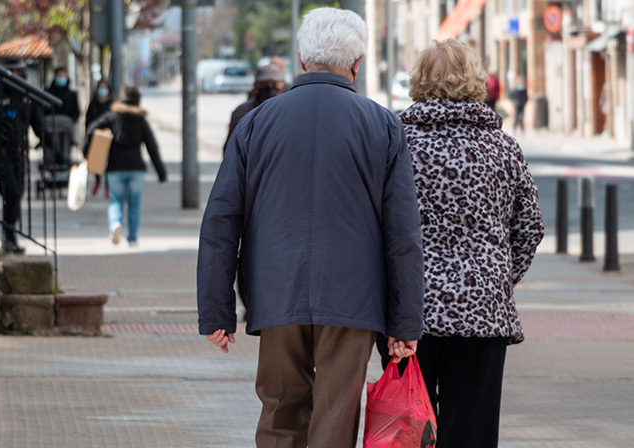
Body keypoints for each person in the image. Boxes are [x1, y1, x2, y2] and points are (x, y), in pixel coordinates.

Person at [197, 8, 425, 448]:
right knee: (336, 417)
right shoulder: (383, 126)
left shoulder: (254, 125)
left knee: (280, 409)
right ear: (357, 64)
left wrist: (216, 309)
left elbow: (222, 221)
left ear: (301, 58)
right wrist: (405, 322)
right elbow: (403, 234)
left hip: (276, 289)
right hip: (354, 299)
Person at [390, 39, 544, 448]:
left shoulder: (396, 144)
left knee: (410, 427)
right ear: (475, 80)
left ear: (419, 80)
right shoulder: (503, 147)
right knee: (473, 429)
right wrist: (498, 277)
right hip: (483, 312)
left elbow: (377, 226)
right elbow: (530, 227)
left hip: (410, 312)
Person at [0, 58, 52, 254]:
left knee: (17, 192)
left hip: (20, 151)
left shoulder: (27, 97)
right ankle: (9, 235)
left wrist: (54, 148)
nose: (23, 76)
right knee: (10, 190)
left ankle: (10, 234)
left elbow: (39, 126)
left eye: (23, 72)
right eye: (18, 73)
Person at [83, 86, 166, 247]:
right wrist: (161, 172)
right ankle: (133, 238)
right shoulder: (141, 120)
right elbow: (152, 147)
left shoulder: (112, 117)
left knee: (116, 200)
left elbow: (91, 129)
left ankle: (115, 224)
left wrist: (86, 154)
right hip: (137, 169)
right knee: (134, 204)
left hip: (115, 167)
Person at [223, 64, 285, 154]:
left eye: (274, 85)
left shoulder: (287, 111)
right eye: (264, 85)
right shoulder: (242, 112)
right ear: (256, 86)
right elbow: (230, 150)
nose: (270, 90)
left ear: (282, 87)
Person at [86, 80, 113, 197]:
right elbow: (88, 122)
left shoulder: (111, 104)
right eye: (100, 87)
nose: (102, 90)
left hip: (108, 136)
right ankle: (98, 182)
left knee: (109, 163)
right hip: (96, 136)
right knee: (97, 163)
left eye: (104, 87)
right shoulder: (93, 104)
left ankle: (108, 187)